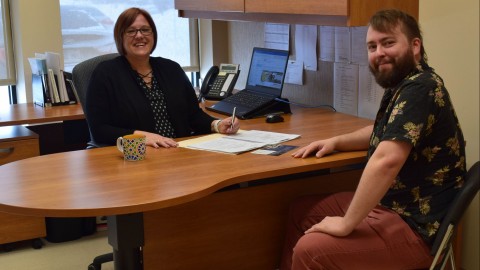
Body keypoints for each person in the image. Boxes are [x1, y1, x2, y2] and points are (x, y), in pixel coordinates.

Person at [280, 9, 466, 270]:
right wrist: (336, 141)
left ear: (415, 46)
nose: (379, 52)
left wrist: (347, 224)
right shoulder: (405, 83)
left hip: (417, 226)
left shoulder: (421, 88)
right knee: (301, 211)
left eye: (388, 43)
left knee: (312, 251)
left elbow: (386, 160)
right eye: (372, 46)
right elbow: (388, 131)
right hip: (395, 205)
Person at [85, 7, 239, 148]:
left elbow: (193, 115)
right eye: (131, 31)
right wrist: (141, 136)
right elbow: (100, 130)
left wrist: (217, 124)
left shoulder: (171, 69)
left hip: (178, 151)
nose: (139, 36)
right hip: (137, 156)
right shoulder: (105, 74)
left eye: (145, 30)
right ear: (120, 37)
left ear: (153, 35)